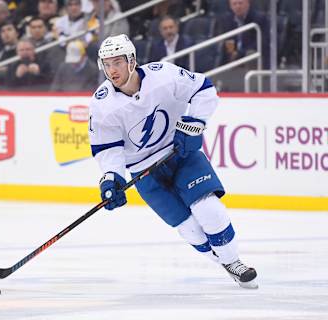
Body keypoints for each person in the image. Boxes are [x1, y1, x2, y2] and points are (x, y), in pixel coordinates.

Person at [88, 34, 258, 289]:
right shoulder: (102, 104)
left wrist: (194, 124)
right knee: (189, 228)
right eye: (107, 64)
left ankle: (233, 261)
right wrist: (111, 178)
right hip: (143, 172)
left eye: (118, 62)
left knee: (208, 209)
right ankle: (220, 259)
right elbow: (107, 148)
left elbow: (204, 89)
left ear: (132, 60)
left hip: (179, 154)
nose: (112, 70)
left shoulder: (163, 75)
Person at [215, 0, 269, 68]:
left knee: (251, 54)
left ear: (248, 4)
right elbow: (228, 39)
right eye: (234, 4)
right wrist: (232, 52)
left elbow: (262, 42)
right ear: (230, 6)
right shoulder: (227, 20)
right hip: (233, 57)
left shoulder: (259, 19)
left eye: (240, 3)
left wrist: (240, 53)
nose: (238, 6)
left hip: (251, 55)